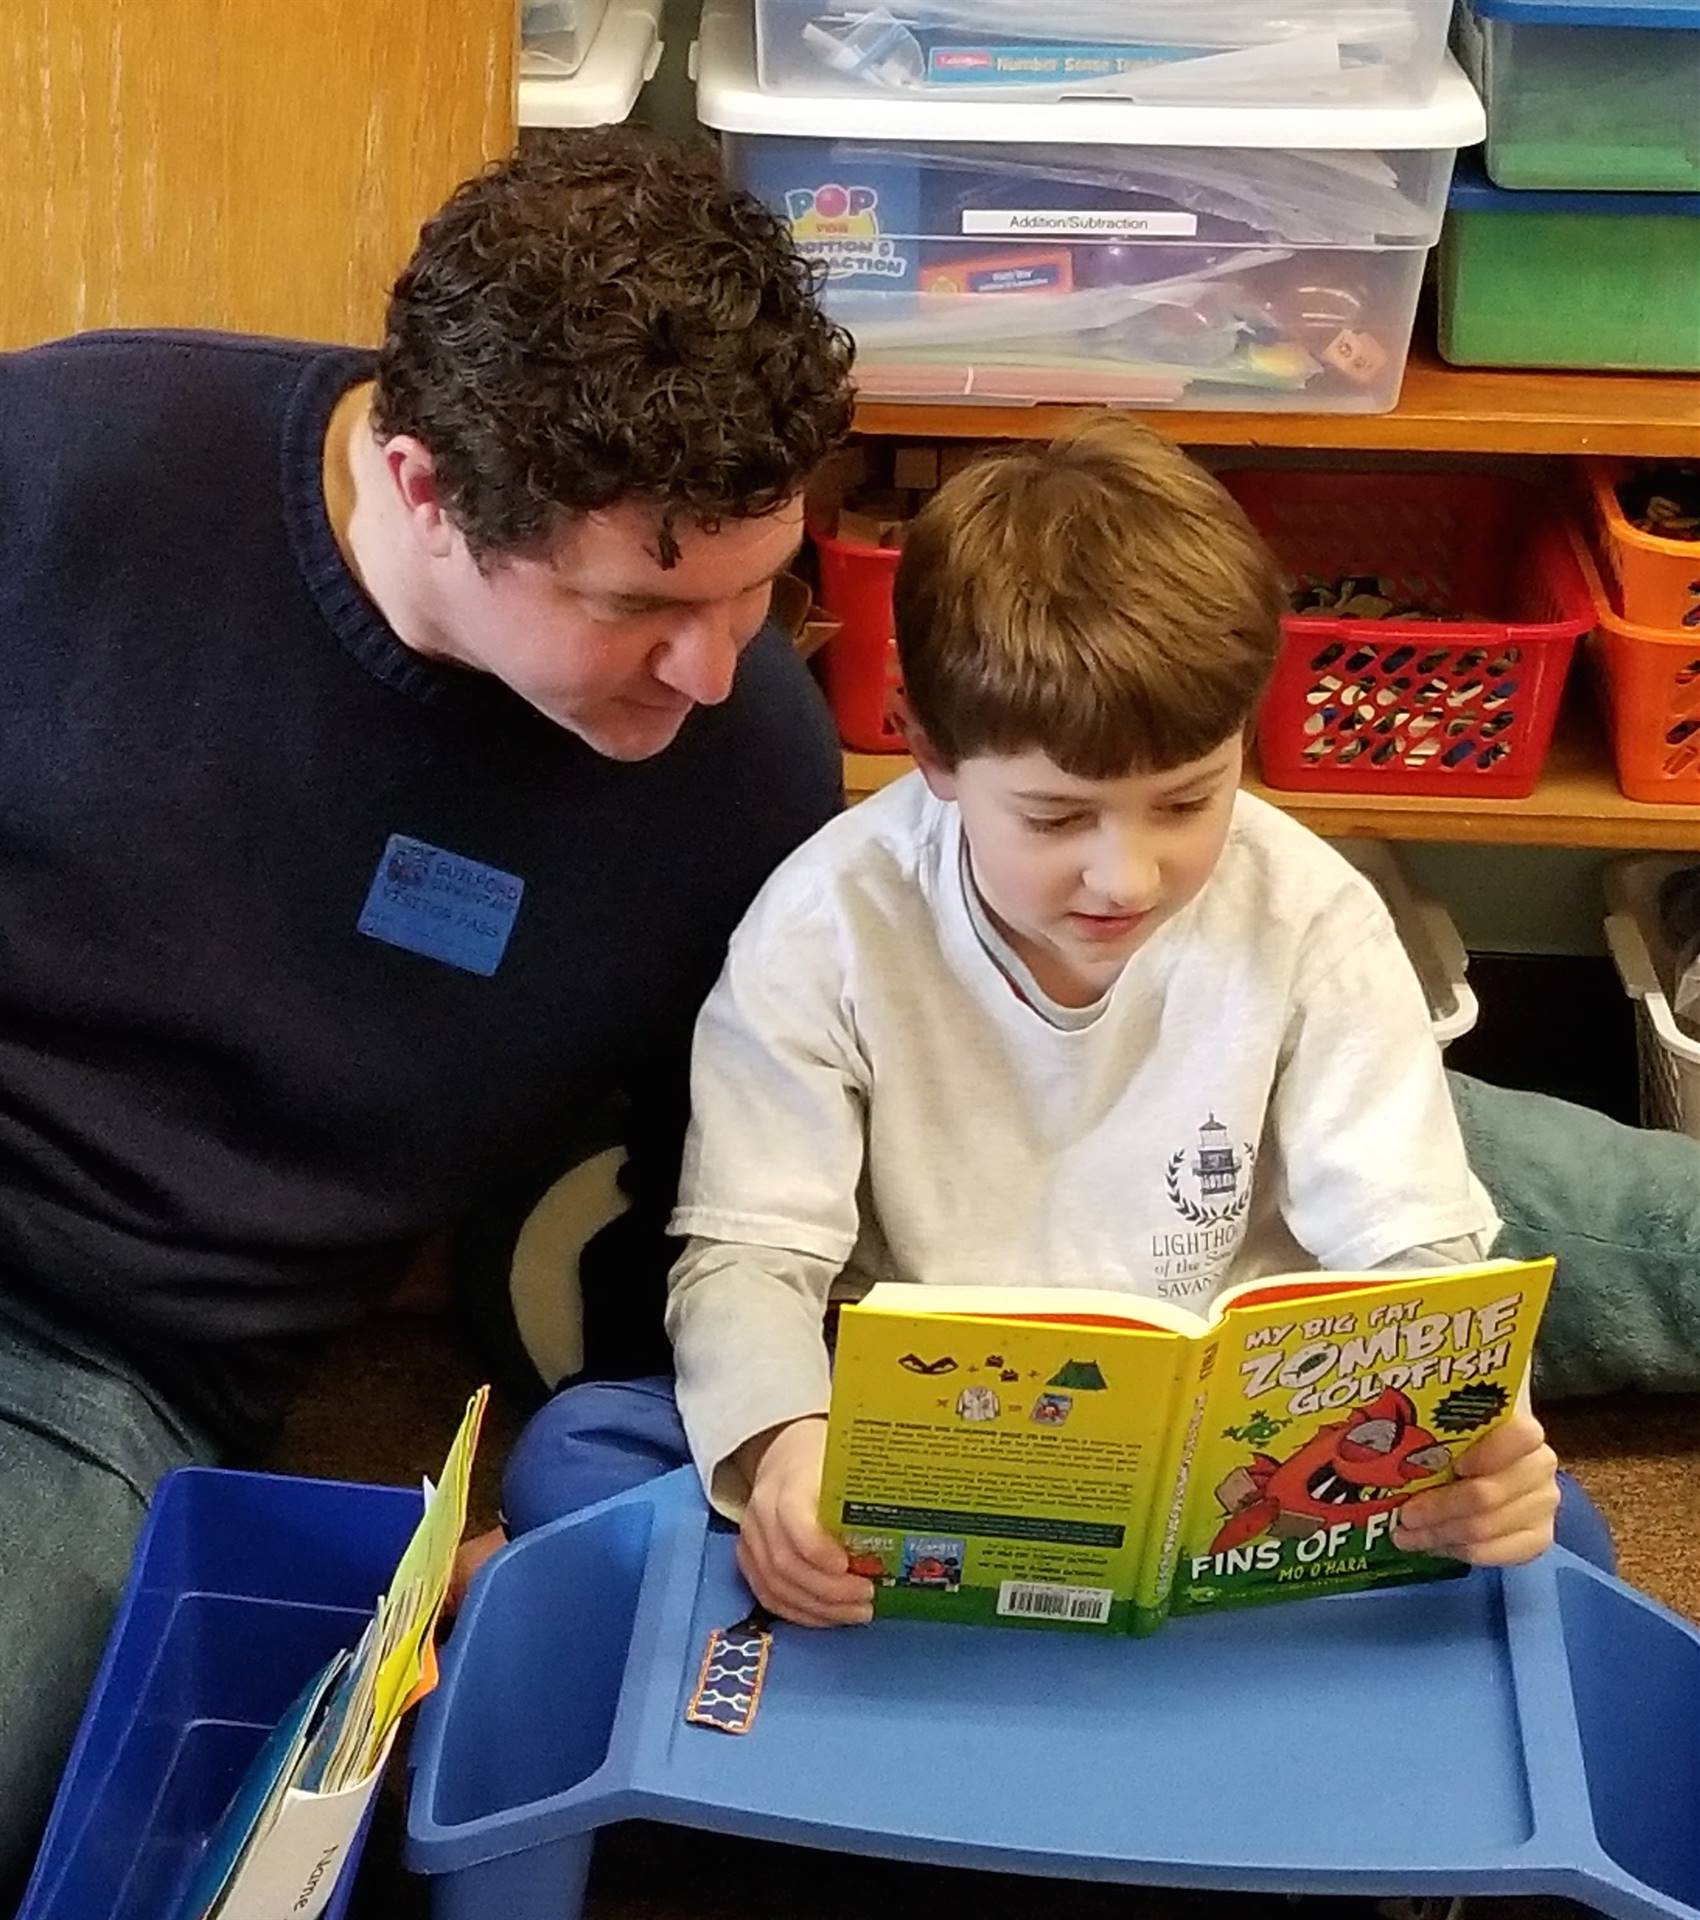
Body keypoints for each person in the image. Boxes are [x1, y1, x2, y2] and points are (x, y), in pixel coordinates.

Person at [0, 126, 853, 1887]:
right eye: (648, 608)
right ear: (421, 486)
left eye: (760, 584)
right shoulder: (65, 465)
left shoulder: (744, 768)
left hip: (99, 1364)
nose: (717, 666)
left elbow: (745, 1177)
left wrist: (538, 1554)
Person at [503, 416, 1608, 1627]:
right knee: (580, 1453)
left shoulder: (1311, 915)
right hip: (931, 1425)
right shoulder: (826, 920)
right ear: (927, 749)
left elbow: (1408, 1269)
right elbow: (750, 1254)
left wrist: (1470, 1447)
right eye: (1051, 819)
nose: (1124, 877)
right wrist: (783, 1452)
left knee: (1561, 1542)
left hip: (1222, 1438)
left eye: (1188, 800)